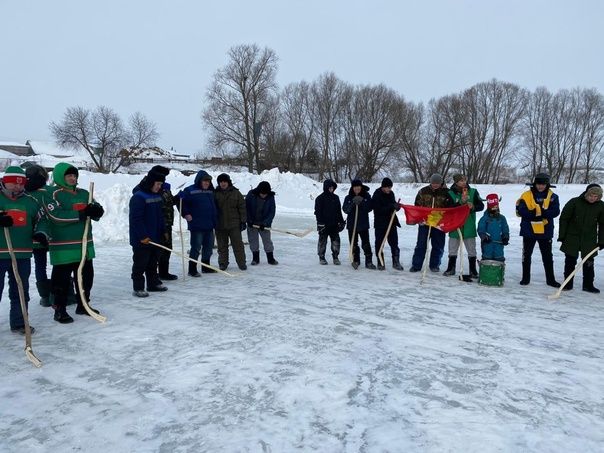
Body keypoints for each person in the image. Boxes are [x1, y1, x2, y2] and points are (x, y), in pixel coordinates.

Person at [48, 163, 104, 323]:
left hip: (84, 244)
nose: (73, 178)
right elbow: (55, 216)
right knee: (62, 281)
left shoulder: (85, 193)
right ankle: (60, 309)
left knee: (87, 277)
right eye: (69, 176)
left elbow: (94, 208)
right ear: (60, 177)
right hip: (63, 246)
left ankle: (83, 304)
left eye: (74, 176)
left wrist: (97, 211)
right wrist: (81, 213)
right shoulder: (54, 194)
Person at [0, 166, 48, 334]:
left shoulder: (30, 201)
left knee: (20, 290)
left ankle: (20, 322)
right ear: (5, 182)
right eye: (14, 184)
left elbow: (42, 220)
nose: (18, 187)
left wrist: (41, 233)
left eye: (21, 184)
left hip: (22, 253)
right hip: (0, 253)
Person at [515, 173, 561, 287]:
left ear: (547, 185)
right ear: (534, 184)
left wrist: (542, 213)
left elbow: (556, 211)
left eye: (543, 184)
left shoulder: (553, 197)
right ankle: (525, 278)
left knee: (547, 256)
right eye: (538, 184)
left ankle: (551, 280)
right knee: (526, 255)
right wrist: (534, 214)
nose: (540, 186)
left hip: (545, 231)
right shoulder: (526, 195)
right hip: (529, 229)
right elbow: (521, 210)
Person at [558, 184, 604, 293]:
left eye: (596, 196)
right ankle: (567, 284)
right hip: (572, 236)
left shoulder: (601, 206)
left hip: (589, 238)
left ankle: (588, 285)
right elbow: (564, 219)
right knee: (570, 261)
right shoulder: (574, 202)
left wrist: (602, 241)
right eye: (591, 195)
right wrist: (562, 236)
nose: (593, 198)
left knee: (588, 262)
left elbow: (603, 224)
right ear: (586, 194)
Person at [129, 168, 168, 297]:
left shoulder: (157, 196)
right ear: (151, 183)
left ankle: (153, 283)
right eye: (157, 184)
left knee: (152, 263)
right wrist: (143, 236)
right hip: (142, 239)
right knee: (140, 263)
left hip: (155, 237)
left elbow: (160, 216)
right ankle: (138, 287)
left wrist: (163, 231)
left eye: (160, 184)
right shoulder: (138, 197)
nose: (159, 187)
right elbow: (136, 220)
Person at [443, 174, 484, 278]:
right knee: (452, 248)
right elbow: (447, 208)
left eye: (465, 180)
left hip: (469, 224)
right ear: (456, 182)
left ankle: (473, 270)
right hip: (455, 224)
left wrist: (472, 207)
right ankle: (451, 268)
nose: (463, 182)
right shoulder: (450, 193)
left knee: (471, 249)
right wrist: (461, 203)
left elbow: (481, 206)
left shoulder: (473, 191)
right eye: (461, 181)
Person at [178, 170, 218, 276]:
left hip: (209, 225)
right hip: (197, 225)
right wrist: (186, 214)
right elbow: (181, 202)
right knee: (196, 248)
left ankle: (206, 267)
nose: (206, 183)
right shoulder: (189, 190)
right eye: (204, 181)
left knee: (208, 247)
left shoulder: (210, 191)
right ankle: (192, 269)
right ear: (199, 181)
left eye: (208, 181)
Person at [409, 174, 451, 272]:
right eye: (433, 183)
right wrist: (420, 217)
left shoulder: (447, 193)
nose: (435, 185)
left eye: (437, 183)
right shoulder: (423, 191)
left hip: (438, 223)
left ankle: (434, 265)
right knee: (421, 244)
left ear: (441, 183)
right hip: (425, 222)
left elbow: (449, 207)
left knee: (438, 245)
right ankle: (416, 265)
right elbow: (417, 205)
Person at [214, 173, 247, 271]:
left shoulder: (236, 193)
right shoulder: (215, 193)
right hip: (220, 225)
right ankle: (223, 263)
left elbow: (242, 207)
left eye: (225, 182)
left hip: (234, 225)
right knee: (222, 246)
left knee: (238, 245)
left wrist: (243, 221)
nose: (223, 184)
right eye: (221, 182)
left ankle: (241, 263)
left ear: (228, 182)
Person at [342, 179, 373, 269]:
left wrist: (362, 202)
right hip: (352, 225)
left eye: (358, 186)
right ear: (353, 188)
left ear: (361, 187)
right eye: (355, 187)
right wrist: (352, 203)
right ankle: (356, 261)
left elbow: (369, 208)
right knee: (353, 244)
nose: (357, 188)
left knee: (366, 243)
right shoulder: (348, 197)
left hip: (363, 225)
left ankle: (369, 262)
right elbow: (345, 210)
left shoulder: (366, 196)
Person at [246, 181, 278, 266]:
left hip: (264, 224)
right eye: (262, 193)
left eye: (265, 194)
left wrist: (265, 223)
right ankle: (255, 258)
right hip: (252, 223)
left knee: (267, 241)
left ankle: (270, 258)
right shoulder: (251, 194)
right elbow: (246, 208)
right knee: (253, 241)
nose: (263, 195)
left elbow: (272, 211)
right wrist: (249, 220)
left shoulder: (270, 197)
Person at [372, 177, 401, 271]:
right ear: (383, 187)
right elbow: (378, 209)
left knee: (394, 243)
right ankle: (380, 262)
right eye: (387, 187)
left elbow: (393, 206)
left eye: (390, 187)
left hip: (391, 222)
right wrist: (391, 206)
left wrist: (396, 207)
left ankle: (396, 262)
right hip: (380, 223)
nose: (389, 189)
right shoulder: (377, 195)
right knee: (379, 243)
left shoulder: (391, 194)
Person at [314, 179, 345, 265]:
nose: (331, 189)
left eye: (332, 188)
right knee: (322, 241)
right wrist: (320, 223)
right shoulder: (320, 199)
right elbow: (318, 212)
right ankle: (321, 257)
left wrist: (341, 222)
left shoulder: (336, 198)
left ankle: (335, 256)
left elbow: (339, 211)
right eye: (330, 188)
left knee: (336, 242)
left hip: (334, 225)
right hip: (323, 225)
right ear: (326, 188)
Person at [477, 194, 509, 262]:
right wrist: (484, 237)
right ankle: (486, 270)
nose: (495, 209)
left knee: (499, 258)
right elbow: (481, 229)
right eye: (493, 208)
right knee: (487, 258)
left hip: (499, 244)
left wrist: (505, 237)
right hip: (487, 244)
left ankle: (499, 271)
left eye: (496, 207)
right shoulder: (485, 218)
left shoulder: (502, 218)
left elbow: (505, 229)